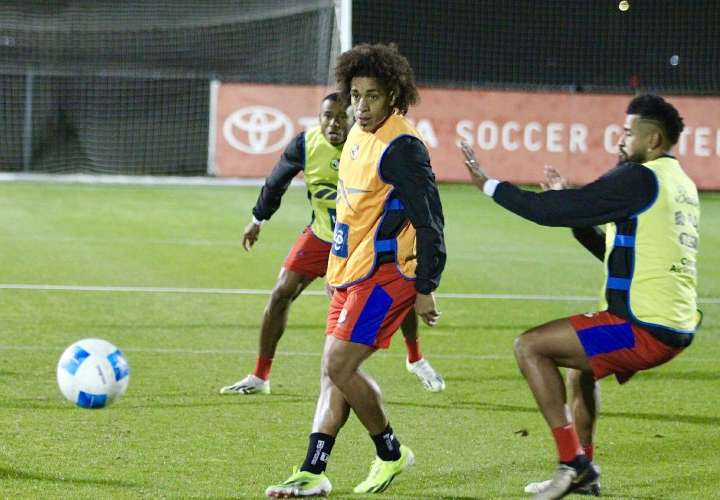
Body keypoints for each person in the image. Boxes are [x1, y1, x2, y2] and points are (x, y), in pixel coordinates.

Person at [460, 94, 701, 500]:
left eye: (628, 133)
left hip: (640, 329)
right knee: (579, 368)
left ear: (654, 139)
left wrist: (488, 185)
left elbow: (549, 212)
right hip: (669, 324)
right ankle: (585, 470)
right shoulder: (679, 184)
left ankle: (572, 463)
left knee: (530, 347)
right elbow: (613, 248)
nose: (620, 140)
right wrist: (570, 202)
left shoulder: (640, 178)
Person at [265, 43, 447, 497]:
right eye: (355, 95)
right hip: (350, 273)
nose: (361, 107)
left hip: (387, 275)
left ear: (394, 98)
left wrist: (426, 286)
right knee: (332, 373)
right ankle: (313, 471)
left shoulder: (402, 146)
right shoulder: (356, 136)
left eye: (373, 97)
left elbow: (431, 220)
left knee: (338, 365)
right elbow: (353, 213)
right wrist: (335, 271)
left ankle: (390, 454)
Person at [220, 93, 445, 396]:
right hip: (324, 234)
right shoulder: (306, 144)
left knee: (396, 288)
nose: (334, 123)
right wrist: (258, 220)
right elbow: (276, 181)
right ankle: (260, 376)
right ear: (318, 117)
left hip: (365, 242)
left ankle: (415, 358)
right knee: (281, 292)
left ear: (354, 119)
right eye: (328, 115)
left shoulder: (370, 146)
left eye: (342, 116)